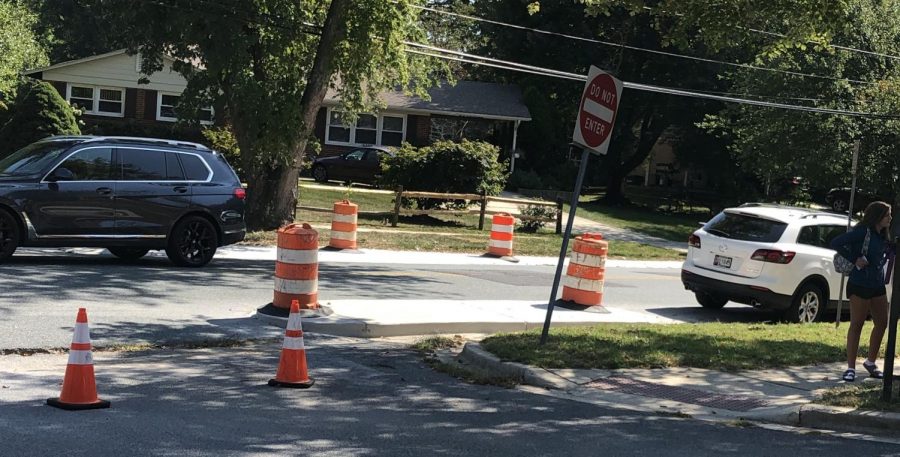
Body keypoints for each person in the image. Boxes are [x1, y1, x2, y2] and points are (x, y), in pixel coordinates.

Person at [830, 201, 892, 382]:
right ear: (877, 216)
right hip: (859, 283)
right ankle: (850, 368)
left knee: (882, 322)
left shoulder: (883, 235)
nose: (890, 218)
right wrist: (855, 258)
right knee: (857, 324)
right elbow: (836, 242)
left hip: (877, 284)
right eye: (887, 214)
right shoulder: (862, 231)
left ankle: (871, 362)